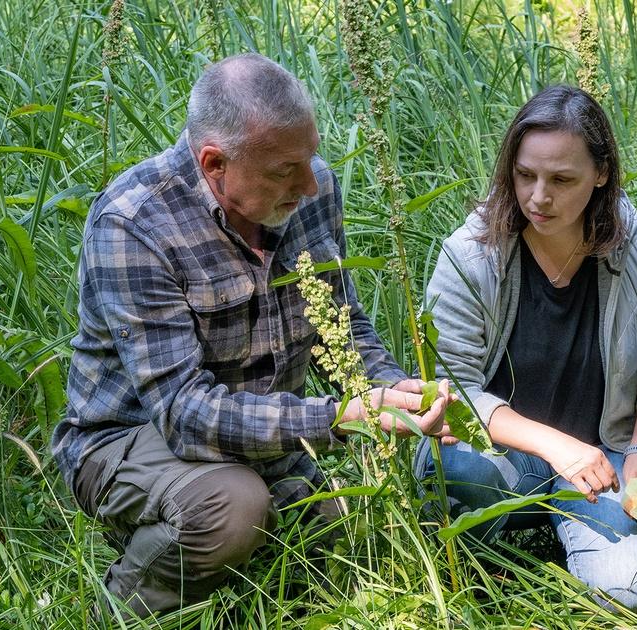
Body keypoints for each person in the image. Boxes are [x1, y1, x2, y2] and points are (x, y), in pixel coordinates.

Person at [50, 53, 451, 617]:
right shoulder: (134, 223)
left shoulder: (310, 191)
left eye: (311, 159)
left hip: (259, 435)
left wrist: (395, 393)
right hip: (130, 437)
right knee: (234, 509)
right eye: (286, 170)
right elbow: (184, 413)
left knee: (330, 549)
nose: (311, 184)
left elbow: (340, 323)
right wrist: (340, 417)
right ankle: (116, 613)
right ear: (215, 164)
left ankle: (220, 561)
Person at [415, 85, 637, 611]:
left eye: (562, 179)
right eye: (525, 175)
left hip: (606, 455)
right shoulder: (470, 254)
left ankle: (583, 533)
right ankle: (484, 552)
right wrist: (555, 446)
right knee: (453, 472)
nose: (538, 197)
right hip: (502, 452)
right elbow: (449, 387)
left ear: (602, 173)